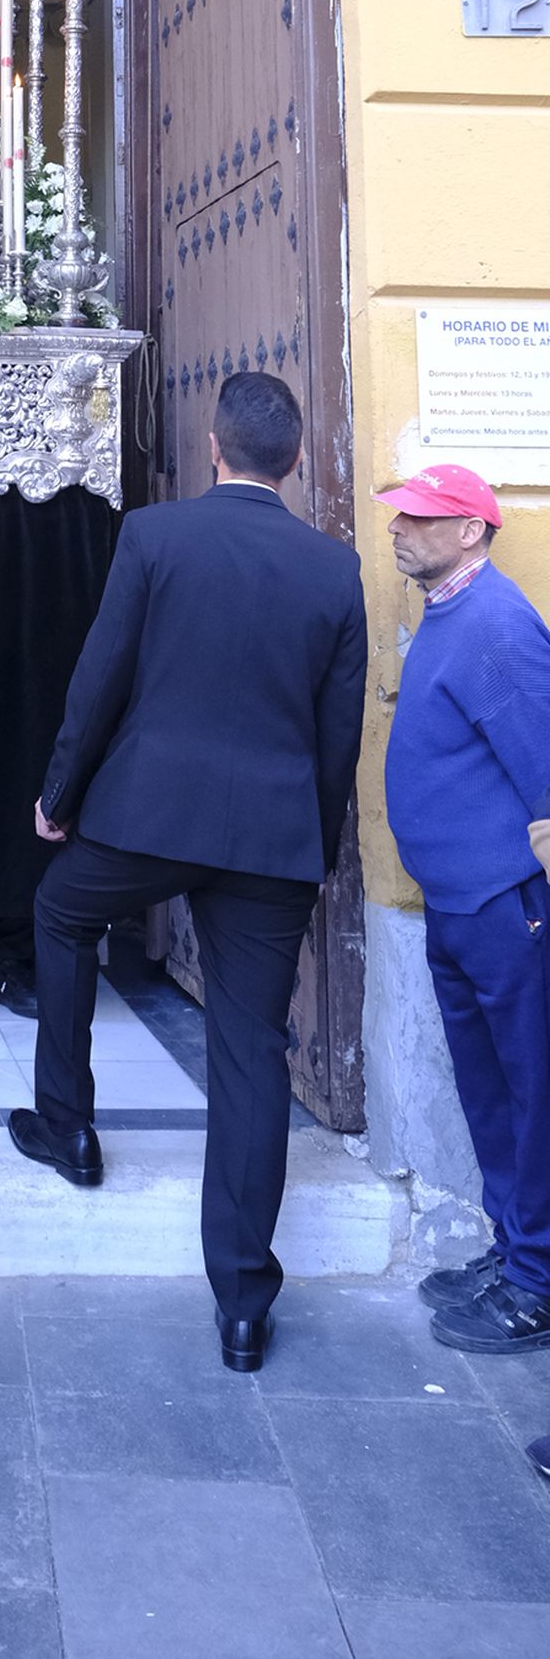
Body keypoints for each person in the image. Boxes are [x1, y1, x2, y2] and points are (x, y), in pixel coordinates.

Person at [10, 371, 367, 1374]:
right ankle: (244, 1299)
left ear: (214, 446)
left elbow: (100, 674)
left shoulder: (155, 536)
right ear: (291, 461)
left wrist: (58, 789)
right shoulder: (333, 570)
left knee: (60, 911)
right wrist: (316, 847)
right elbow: (336, 734)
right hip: (268, 839)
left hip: (147, 814)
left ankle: (68, 1126)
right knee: (249, 1050)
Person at [379, 463, 550, 1355]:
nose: (401, 528)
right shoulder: (449, 611)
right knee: (491, 1091)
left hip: (502, 905)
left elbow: (547, 768)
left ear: (472, 530)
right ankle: (514, 1248)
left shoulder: (494, 624)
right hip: (459, 902)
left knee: (533, 1092)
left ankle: (538, 1283)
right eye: (401, 514)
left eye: (423, 516)